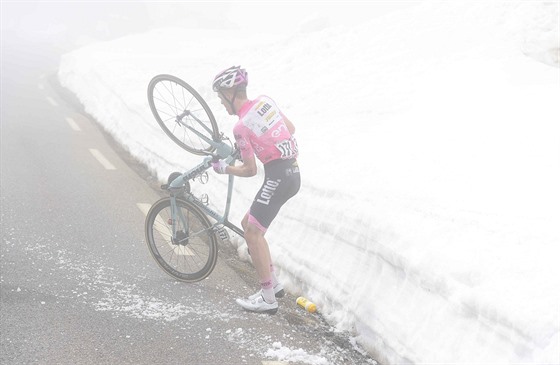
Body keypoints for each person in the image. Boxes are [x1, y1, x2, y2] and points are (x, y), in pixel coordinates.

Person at [211, 66, 301, 314]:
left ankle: (267, 298)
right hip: (292, 173)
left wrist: (224, 169)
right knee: (247, 224)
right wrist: (262, 141)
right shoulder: (265, 102)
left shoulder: (240, 127)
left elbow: (249, 170)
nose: (222, 104)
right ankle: (274, 284)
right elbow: (289, 129)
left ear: (230, 92)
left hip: (278, 177)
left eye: (221, 98)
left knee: (253, 234)